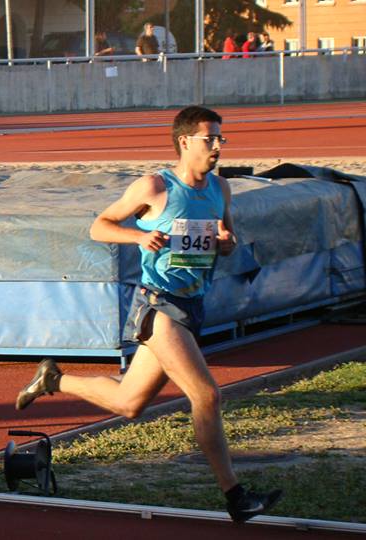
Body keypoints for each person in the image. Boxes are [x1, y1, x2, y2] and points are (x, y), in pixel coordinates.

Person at [14, 106, 282, 523]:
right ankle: (236, 497)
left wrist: (227, 243)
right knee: (206, 395)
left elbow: (225, 242)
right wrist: (140, 235)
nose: (217, 147)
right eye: (209, 139)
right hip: (157, 305)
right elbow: (99, 226)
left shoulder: (221, 189)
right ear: (184, 142)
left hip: (193, 305)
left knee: (129, 402)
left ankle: (54, 378)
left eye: (220, 139)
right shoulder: (155, 187)